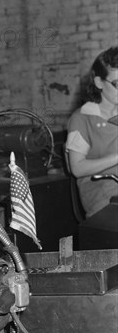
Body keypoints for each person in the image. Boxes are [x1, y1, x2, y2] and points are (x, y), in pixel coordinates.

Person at [66, 46, 118, 218]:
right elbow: (77, 168)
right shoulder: (81, 119)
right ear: (98, 82)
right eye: (117, 83)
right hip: (102, 192)